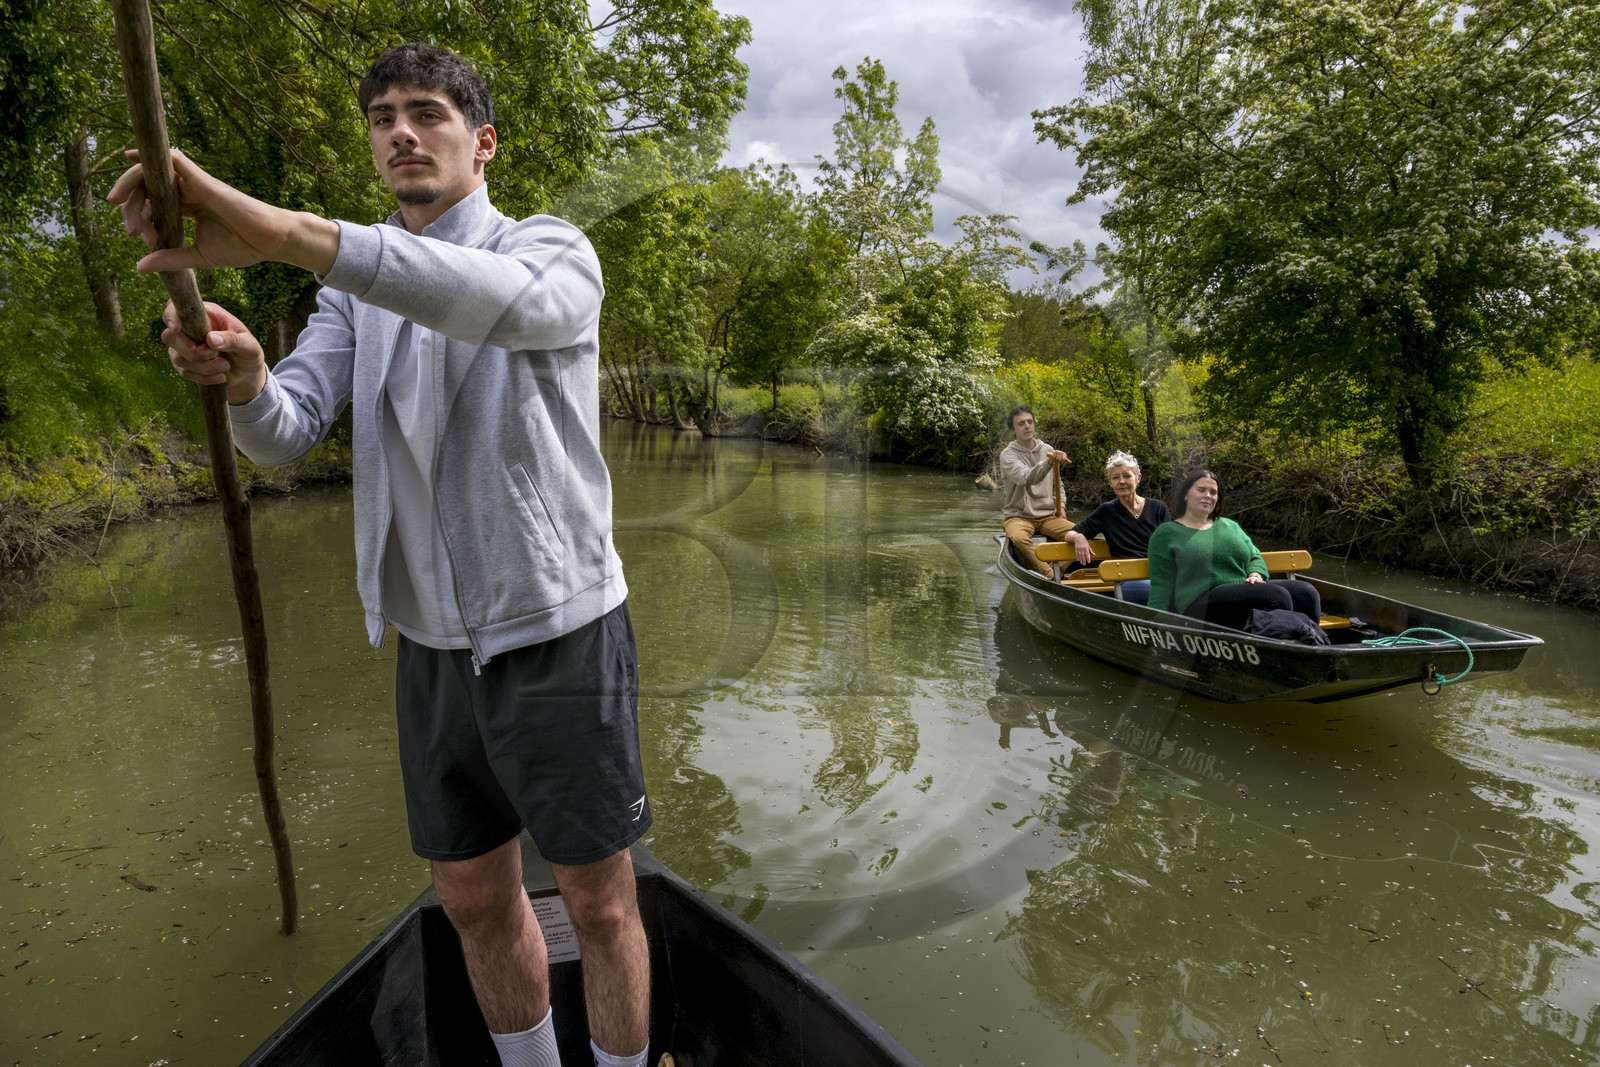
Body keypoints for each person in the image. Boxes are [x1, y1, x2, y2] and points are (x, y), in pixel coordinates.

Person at [111, 44, 650, 1067]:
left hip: (558, 633)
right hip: (430, 648)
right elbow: (285, 431)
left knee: (599, 898)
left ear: (481, 143)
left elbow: (489, 300)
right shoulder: (355, 292)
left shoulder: (552, 250)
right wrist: (245, 376)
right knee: (471, 896)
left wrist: (279, 232)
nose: (402, 130)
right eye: (383, 118)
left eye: (428, 113)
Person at [1146, 469, 1322, 630]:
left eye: (1213, 492)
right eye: (1201, 490)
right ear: (1185, 494)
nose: (1208, 496)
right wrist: (1154, 623)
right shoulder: (1167, 533)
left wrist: (1255, 574)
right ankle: (1278, 650)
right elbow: (1161, 584)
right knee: (1276, 595)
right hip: (1200, 602)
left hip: (1242, 590)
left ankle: (1311, 644)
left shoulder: (1229, 525)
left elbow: (1254, 556)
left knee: (1306, 592)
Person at [1061, 450, 1170, 604]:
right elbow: (1070, 534)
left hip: (1157, 576)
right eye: (1115, 478)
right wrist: (1079, 536)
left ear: (1138, 478)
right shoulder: (1106, 511)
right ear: (1110, 483)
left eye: (1127, 476)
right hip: (1126, 580)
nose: (1121, 481)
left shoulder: (1158, 508)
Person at [999, 405, 1074, 577]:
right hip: (1018, 516)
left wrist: (1061, 506)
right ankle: (1050, 576)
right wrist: (1048, 462)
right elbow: (1026, 478)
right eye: (1021, 424)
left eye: (1030, 422)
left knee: (1083, 533)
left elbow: (1058, 485)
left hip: (1048, 516)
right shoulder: (1007, 455)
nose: (1027, 426)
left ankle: (1058, 573)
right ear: (1013, 430)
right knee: (1019, 539)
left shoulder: (1047, 449)